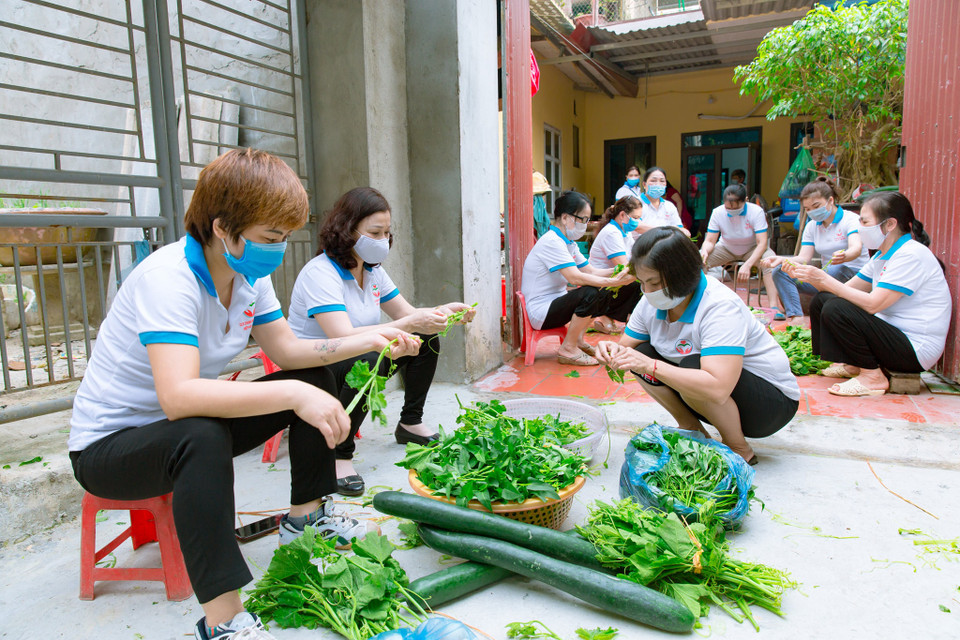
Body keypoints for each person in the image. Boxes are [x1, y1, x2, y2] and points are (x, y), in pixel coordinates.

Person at [67, 150, 421, 640]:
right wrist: (294, 394)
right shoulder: (168, 280)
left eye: (284, 237)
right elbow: (178, 398)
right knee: (202, 435)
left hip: (184, 426)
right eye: (269, 237)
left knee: (317, 379)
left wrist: (371, 339)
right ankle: (225, 621)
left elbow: (290, 351)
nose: (278, 250)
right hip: (111, 447)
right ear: (222, 228)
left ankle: (308, 518)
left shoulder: (249, 276)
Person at [287, 187, 476, 496]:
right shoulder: (320, 274)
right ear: (348, 230)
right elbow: (342, 337)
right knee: (371, 357)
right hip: (317, 366)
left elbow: (408, 314)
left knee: (425, 337)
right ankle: (338, 453)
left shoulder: (372, 271)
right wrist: (408, 325)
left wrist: (446, 312)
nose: (383, 241)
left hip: (354, 355)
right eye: (375, 232)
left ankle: (410, 423)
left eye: (387, 232)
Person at [596, 227, 800, 464]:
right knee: (638, 353)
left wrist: (651, 366)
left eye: (654, 283)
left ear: (682, 276)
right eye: (642, 283)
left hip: (769, 406)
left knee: (690, 365)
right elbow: (627, 348)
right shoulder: (650, 302)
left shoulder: (719, 305)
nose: (647, 291)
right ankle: (693, 430)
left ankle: (738, 448)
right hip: (719, 396)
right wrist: (611, 351)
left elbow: (718, 387)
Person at [784, 191, 951, 397]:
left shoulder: (910, 255)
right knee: (823, 301)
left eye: (864, 222)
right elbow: (847, 289)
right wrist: (806, 276)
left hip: (914, 349)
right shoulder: (882, 255)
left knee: (837, 307)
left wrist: (825, 280)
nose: (859, 228)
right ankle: (855, 364)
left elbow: (873, 305)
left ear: (889, 224)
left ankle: (872, 377)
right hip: (892, 335)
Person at [521, 191, 635, 366]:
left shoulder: (568, 243)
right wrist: (614, 281)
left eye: (587, 220)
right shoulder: (552, 242)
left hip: (555, 303)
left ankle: (578, 341)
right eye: (583, 219)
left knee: (607, 290)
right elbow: (576, 278)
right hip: (540, 312)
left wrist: (621, 271)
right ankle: (568, 348)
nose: (585, 225)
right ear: (566, 218)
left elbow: (591, 271)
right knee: (590, 292)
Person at [762, 178, 868, 321]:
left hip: (852, 275)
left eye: (816, 206)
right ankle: (796, 317)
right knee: (780, 272)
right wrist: (781, 260)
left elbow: (856, 248)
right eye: (807, 209)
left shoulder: (850, 220)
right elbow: (804, 258)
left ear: (830, 201)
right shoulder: (812, 226)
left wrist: (845, 256)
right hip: (825, 276)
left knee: (835, 269)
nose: (812, 211)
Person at [699, 183, 783, 317]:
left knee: (770, 263)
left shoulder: (756, 211)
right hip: (726, 247)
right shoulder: (718, 212)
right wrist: (705, 251)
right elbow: (710, 241)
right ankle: (699, 304)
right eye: (728, 207)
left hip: (752, 248)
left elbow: (762, 243)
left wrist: (748, 264)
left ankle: (774, 306)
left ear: (746, 201)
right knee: (697, 261)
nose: (732, 210)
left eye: (736, 207)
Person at [587, 195, 643, 333]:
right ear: (622, 214)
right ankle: (603, 314)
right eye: (635, 218)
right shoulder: (611, 233)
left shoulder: (624, 231)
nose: (637, 222)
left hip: (609, 280)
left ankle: (625, 318)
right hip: (599, 284)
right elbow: (624, 267)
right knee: (638, 282)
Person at [635, 166, 691, 238]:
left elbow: (679, 228)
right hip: (642, 247)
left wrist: (684, 231)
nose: (658, 184)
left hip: (665, 248)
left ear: (665, 185)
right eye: (653, 181)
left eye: (662, 181)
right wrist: (666, 231)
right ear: (644, 184)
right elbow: (637, 227)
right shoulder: (635, 203)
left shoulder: (669, 206)